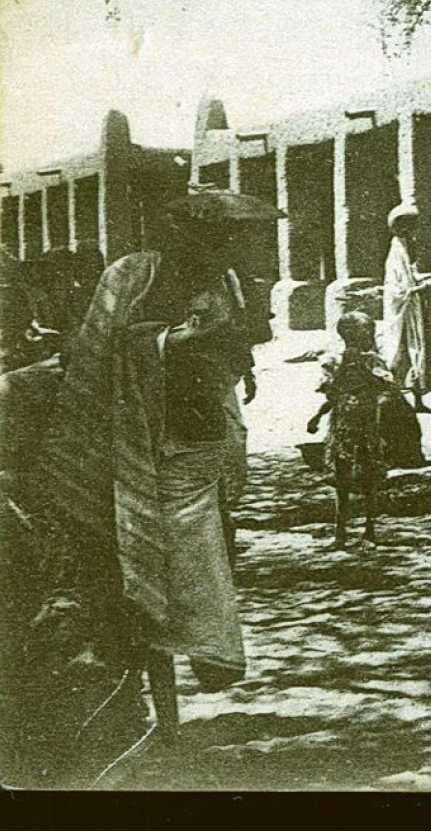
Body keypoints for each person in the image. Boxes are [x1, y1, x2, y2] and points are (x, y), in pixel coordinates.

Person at [39, 200, 265, 744]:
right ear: (184, 232)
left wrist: (239, 353)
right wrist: (177, 340)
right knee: (141, 577)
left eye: (230, 239)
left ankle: (200, 668)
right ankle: (157, 716)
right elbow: (104, 350)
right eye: (215, 237)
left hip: (199, 443)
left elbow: (234, 351)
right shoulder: (133, 275)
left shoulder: (222, 282)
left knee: (195, 570)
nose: (223, 249)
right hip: (137, 446)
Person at [307, 312, 400, 548]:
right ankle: (343, 533)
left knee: (367, 478)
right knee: (342, 478)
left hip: (366, 426)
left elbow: (389, 387)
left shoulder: (371, 362)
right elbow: (332, 393)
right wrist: (318, 416)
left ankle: (368, 531)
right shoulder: (337, 361)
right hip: (345, 426)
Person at [379, 202, 431, 413]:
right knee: (399, 353)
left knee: (416, 352)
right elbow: (397, 287)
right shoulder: (396, 251)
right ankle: (389, 400)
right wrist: (419, 288)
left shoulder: (405, 248)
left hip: (411, 309)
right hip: (401, 312)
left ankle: (418, 401)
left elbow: (408, 276)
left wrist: (419, 281)